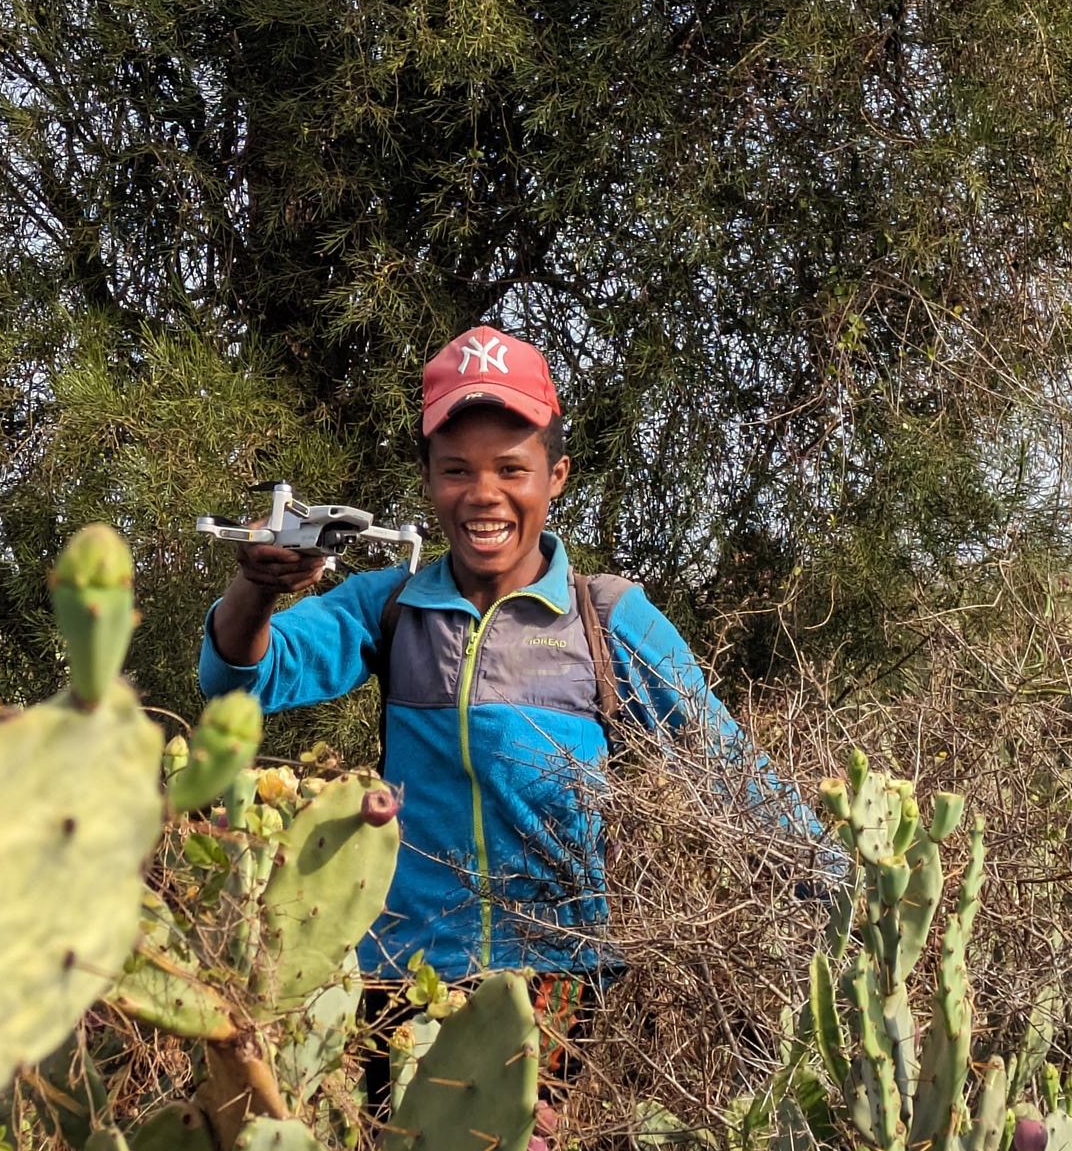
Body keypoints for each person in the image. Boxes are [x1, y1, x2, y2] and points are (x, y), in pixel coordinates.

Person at [198, 327, 816, 1051]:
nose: (483, 495)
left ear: (556, 475)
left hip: (562, 989)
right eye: (457, 470)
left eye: (511, 469)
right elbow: (238, 680)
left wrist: (842, 883)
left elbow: (726, 767)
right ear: (428, 478)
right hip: (399, 987)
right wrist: (256, 586)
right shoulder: (391, 607)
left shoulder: (606, 618)